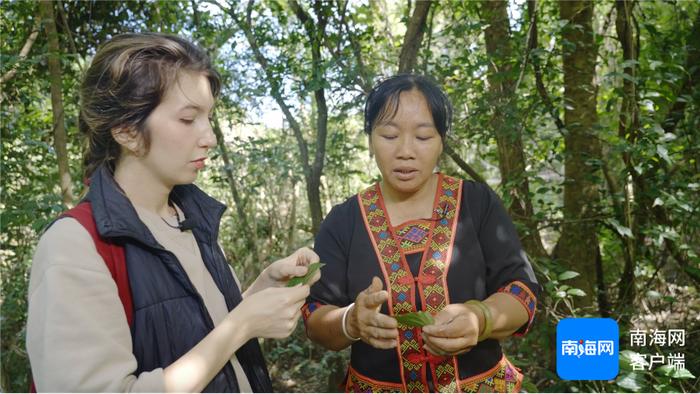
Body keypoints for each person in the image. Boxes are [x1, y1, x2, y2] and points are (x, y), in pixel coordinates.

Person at [26, 32, 319, 393]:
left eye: (209, 117)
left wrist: (257, 294)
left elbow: (196, 339)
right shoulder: (75, 247)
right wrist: (241, 325)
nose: (209, 137)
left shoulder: (191, 219)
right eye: (187, 119)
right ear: (127, 131)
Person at [303, 74, 540, 392]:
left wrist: (480, 317)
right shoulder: (344, 221)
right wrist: (351, 320)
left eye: (424, 137)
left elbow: (522, 290)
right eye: (388, 135)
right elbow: (315, 316)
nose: (405, 151)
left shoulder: (476, 203)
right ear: (370, 138)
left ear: (442, 140)